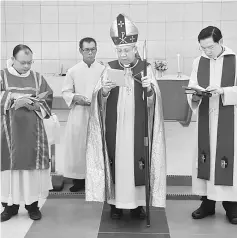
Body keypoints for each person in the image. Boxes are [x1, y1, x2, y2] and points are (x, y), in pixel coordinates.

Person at [85, 14, 166, 219]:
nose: (122, 54)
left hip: (137, 127)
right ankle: (114, 204)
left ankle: (138, 204)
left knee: (137, 162)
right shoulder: (109, 68)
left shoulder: (145, 68)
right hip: (117, 128)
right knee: (116, 161)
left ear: (135, 49)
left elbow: (155, 103)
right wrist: (103, 91)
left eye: (126, 50)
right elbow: (97, 99)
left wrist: (150, 91)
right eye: (119, 50)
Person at [187, 26, 237, 225]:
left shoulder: (235, 60)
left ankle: (232, 205)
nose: (207, 52)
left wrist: (223, 91)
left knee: (227, 161)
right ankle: (207, 203)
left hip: (229, 119)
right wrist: (196, 94)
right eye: (203, 48)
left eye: (210, 47)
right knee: (206, 159)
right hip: (206, 119)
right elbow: (192, 87)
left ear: (221, 40)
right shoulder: (198, 62)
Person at [1, 44, 53, 222]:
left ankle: (32, 206)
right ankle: (9, 206)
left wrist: (37, 104)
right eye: (23, 62)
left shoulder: (38, 78)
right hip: (9, 134)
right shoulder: (2, 76)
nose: (27, 67)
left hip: (33, 134)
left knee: (31, 170)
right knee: (10, 171)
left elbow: (48, 99)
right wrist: (14, 98)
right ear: (13, 59)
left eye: (30, 62)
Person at [62, 37, 105, 192]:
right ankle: (78, 180)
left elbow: (108, 90)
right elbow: (66, 92)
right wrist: (75, 98)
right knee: (78, 146)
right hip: (79, 113)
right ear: (80, 51)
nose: (90, 52)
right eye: (87, 49)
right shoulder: (73, 71)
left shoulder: (102, 70)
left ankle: (97, 180)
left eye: (93, 49)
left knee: (96, 146)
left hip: (97, 113)